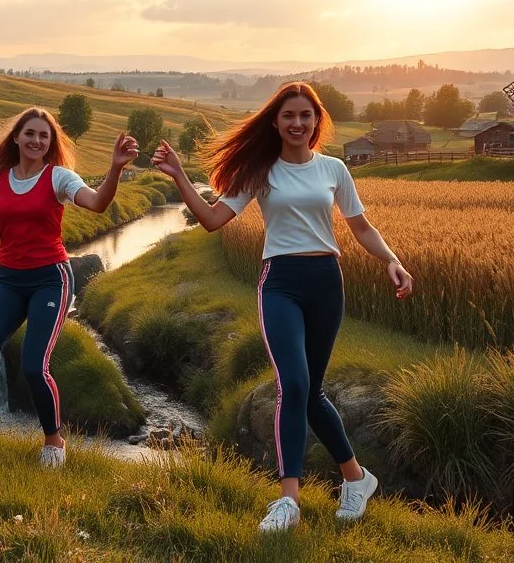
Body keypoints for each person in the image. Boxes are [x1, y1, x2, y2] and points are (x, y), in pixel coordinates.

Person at [150, 82, 413, 532]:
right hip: (280, 285)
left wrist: (392, 260)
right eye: (288, 115)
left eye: (305, 116)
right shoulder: (260, 171)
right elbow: (213, 220)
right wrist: (177, 176)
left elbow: (362, 228)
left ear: (316, 122)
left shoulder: (333, 169)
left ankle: (356, 478)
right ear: (275, 121)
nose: (297, 123)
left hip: (327, 282)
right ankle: (288, 501)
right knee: (293, 383)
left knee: (311, 393)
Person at [0, 107, 138, 468]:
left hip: (50, 280)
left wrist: (115, 168)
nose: (37, 140)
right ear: (16, 138)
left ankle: (54, 444)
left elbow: (98, 204)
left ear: (51, 142)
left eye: (44, 135)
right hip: (8, 279)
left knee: (33, 366)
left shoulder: (60, 178)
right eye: (30, 134)